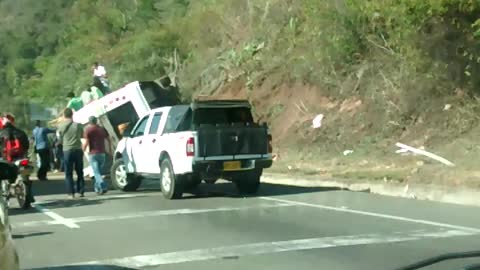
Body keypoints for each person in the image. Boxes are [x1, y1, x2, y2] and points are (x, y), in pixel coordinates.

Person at [0, 115, 35, 205]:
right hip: (20, 158)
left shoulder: (1, 133)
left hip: (6, 160)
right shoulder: (21, 132)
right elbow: (27, 146)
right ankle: (30, 195)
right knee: (26, 176)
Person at [58, 108, 85, 198]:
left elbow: (59, 139)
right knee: (79, 171)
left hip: (67, 150)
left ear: (64, 115)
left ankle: (71, 193)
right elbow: (82, 135)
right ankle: (80, 191)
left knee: (68, 173)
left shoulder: (61, 126)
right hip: (78, 149)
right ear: (72, 115)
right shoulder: (78, 125)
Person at [83, 116, 111, 195]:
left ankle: (103, 185)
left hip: (93, 153)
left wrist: (83, 149)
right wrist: (109, 150)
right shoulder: (102, 129)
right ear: (96, 121)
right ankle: (98, 189)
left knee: (96, 172)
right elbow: (109, 140)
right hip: (102, 154)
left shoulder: (88, 130)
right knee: (98, 172)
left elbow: (87, 142)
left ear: (89, 122)